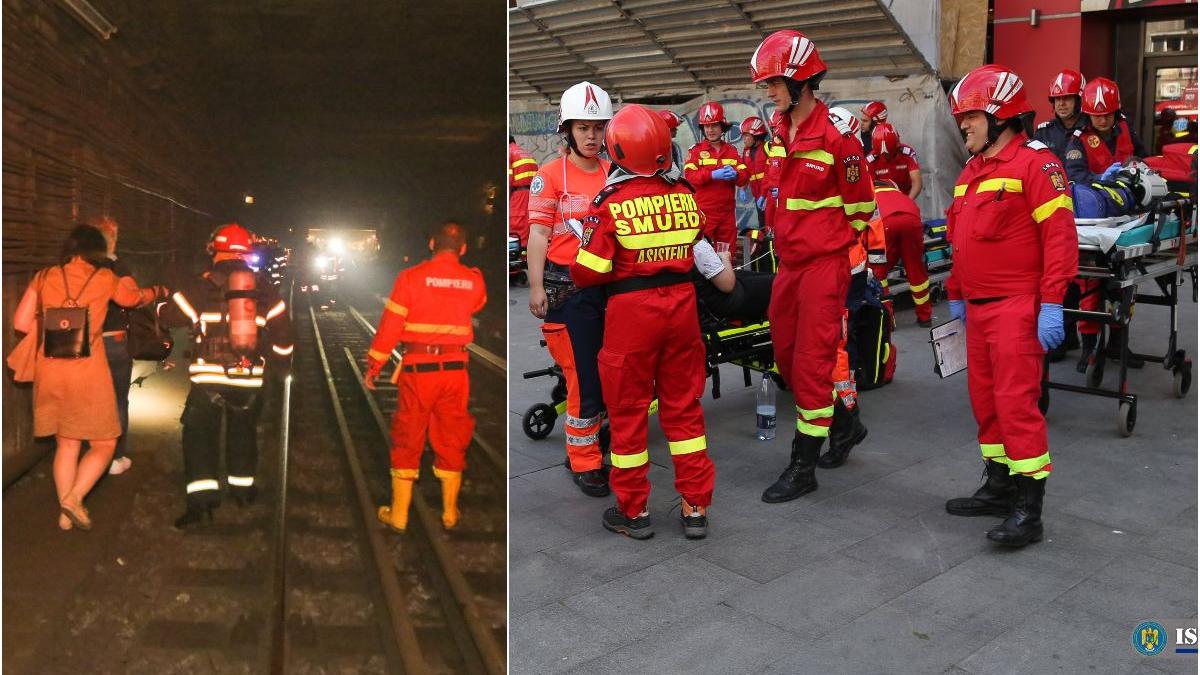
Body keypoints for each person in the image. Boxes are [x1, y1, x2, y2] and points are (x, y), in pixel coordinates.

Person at [942, 65, 1077, 548]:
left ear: (1000, 115)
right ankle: (999, 486)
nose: (965, 125)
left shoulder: (1036, 164)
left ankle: (1028, 508)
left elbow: (1060, 239)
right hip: (977, 310)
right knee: (986, 403)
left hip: (1017, 308)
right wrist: (955, 291)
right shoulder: (973, 170)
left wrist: (1053, 304)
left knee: (1017, 406)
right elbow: (960, 238)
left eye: (972, 116)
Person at [571, 104, 715, 540]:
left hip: (632, 316)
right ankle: (695, 507)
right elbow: (695, 237)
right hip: (682, 309)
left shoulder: (611, 204)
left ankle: (633, 512)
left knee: (630, 412)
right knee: (684, 410)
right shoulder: (685, 194)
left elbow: (587, 272)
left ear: (616, 151)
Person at [749, 30, 875, 503]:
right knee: (784, 354)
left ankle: (803, 466)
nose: (769, 92)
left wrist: (828, 242)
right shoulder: (779, 133)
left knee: (812, 363)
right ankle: (846, 424)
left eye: (775, 83)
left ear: (801, 80)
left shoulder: (839, 139)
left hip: (824, 267)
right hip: (789, 266)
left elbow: (861, 209)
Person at [11, 225, 164, 531]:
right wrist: (157, 292)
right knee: (106, 442)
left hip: (51, 370)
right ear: (98, 251)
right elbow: (132, 299)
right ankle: (74, 498)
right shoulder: (105, 278)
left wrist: (56, 329)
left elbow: (21, 322)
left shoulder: (43, 277)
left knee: (66, 444)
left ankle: (65, 516)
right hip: (87, 372)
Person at [161, 223, 294, 528]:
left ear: (213, 250)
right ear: (248, 251)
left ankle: (202, 502)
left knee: (198, 437)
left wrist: (159, 305)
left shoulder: (199, 286)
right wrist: (279, 368)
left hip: (207, 379)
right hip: (248, 378)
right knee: (243, 434)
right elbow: (284, 335)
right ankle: (243, 492)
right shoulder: (264, 289)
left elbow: (168, 317)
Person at [367, 222, 486, 532]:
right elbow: (478, 302)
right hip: (455, 372)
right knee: (452, 435)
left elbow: (391, 326)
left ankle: (399, 515)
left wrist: (375, 364)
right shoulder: (473, 281)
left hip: (419, 371)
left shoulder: (410, 278)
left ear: (432, 243)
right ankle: (449, 513)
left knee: (408, 434)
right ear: (463, 248)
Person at [526, 80, 613, 497]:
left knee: (607, 374)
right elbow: (539, 235)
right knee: (584, 376)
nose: (592, 136)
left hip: (607, 290)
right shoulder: (548, 177)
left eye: (598, 128)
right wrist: (536, 287)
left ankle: (596, 446)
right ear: (568, 131)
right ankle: (583, 461)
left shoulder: (615, 174)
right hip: (567, 291)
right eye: (584, 128)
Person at [1062, 77, 1149, 371]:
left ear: (1116, 112)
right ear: (1088, 113)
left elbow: (1143, 157)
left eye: (1107, 114)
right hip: (1094, 222)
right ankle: (1089, 349)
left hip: (1128, 220)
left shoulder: (1125, 129)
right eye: (1097, 115)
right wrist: (1101, 179)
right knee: (1090, 286)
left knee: (1125, 286)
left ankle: (1117, 345)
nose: (1102, 120)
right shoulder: (1077, 140)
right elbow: (1073, 176)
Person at [93, 217, 136, 475]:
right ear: (113, 239)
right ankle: (115, 457)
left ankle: (92, 453)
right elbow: (132, 299)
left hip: (87, 342)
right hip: (116, 340)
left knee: (90, 400)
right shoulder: (119, 269)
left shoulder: (80, 267)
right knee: (118, 399)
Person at [684, 101, 749, 250]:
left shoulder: (732, 151)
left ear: (722, 126)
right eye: (707, 126)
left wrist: (736, 175)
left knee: (726, 253)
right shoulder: (696, 151)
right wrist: (712, 174)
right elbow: (690, 176)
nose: (710, 130)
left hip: (727, 214)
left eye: (714, 125)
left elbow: (745, 176)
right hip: (704, 213)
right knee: (702, 253)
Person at [873, 180, 933, 326]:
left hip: (884, 222)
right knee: (916, 270)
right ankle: (925, 317)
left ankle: (888, 321)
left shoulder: (870, 195)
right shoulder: (900, 195)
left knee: (878, 272)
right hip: (911, 219)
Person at [1034, 69, 1088, 163]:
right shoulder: (1043, 133)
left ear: (1079, 101)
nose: (1061, 104)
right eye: (1057, 99)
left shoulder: (1090, 129)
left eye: (1067, 98)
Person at [867, 122, 923, 200]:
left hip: (906, 195)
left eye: (890, 154)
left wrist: (908, 201)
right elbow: (870, 189)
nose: (887, 158)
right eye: (883, 156)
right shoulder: (870, 160)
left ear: (898, 145)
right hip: (883, 199)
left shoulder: (907, 153)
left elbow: (916, 182)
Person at [740, 116, 770, 231]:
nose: (744, 139)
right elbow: (747, 172)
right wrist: (743, 188)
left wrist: (764, 194)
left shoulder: (768, 148)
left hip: (770, 196)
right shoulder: (746, 151)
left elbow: (772, 173)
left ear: (756, 135)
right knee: (762, 225)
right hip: (758, 196)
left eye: (746, 135)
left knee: (773, 225)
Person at [509, 137, 539, 248]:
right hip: (532, 195)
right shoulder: (526, 153)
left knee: (515, 224)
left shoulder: (508, 153)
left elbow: (508, 181)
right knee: (527, 225)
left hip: (518, 196)